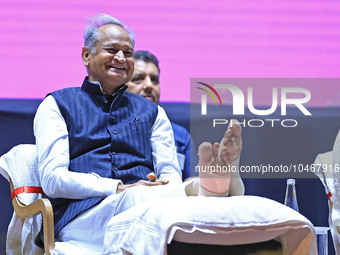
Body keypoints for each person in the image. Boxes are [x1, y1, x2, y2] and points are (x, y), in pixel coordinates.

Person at [33, 13, 244, 253]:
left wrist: (164, 186)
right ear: (86, 55)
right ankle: (206, 189)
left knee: (156, 204)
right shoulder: (57, 104)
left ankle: (210, 187)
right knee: (139, 201)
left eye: (128, 53)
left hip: (146, 207)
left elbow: (170, 174)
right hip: (81, 217)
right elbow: (52, 179)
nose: (121, 58)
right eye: (112, 50)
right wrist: (118, 188)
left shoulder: (154, 112)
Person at [126, 50, 196, 180]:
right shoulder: (112, 130)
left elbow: (193, 182)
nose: (149, 86)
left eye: (154, 80)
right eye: (138, 79)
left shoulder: (180, 135)